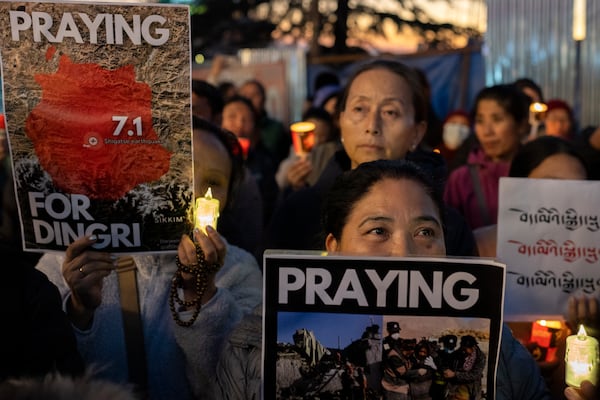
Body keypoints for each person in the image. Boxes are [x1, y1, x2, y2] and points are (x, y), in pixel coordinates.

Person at [216, 159, 552, 400]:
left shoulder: (497, 348)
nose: (403, 252)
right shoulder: (255, 346)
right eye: (378, 231)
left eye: (425, 232)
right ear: (334, 247)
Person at [35, 117, 262, 399]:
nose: (193, 193)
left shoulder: (239, 271)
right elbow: (37, 371)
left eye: (213, 182)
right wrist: (79, 310)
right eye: (180, 172)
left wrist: (203, 296)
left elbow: (242, 386)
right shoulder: (71, 255)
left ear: (229, 198)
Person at [266, 59, 477, 257]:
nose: (372, 126)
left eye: (390, 112)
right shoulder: (297, 212)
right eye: (360, 109)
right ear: (340, 120)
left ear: (417, 133)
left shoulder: (450, 226)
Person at [473, 135, 589, 258]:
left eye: (577, 187)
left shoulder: (591, 250)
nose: (565, 196)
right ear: (518, 187)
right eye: (551, 186)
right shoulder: (480, 246)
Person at [444, 84, 530, 230]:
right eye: (480, 121)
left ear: (521, 125)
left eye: (497, 119)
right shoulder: (461, 179)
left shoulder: (537, 174)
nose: (487, 131)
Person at [221, 95, 279, 227]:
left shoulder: (265, 160)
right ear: (219, 120)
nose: (239, 124)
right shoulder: (212, 159)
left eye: (246, 119)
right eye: (232, 117)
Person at [275, 106, 341, 194]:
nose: (316, 141)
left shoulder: (335, 156)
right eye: (312, 135)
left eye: (322, 137)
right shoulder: (293, 157)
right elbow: (280, 183)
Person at [238, 79, 291, 165]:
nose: (249, 99)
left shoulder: (276, 128)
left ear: (263, 99)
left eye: (255, 95)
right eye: (245, 95)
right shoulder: (233, 128)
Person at [443, 335, 486, 400]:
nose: (463, 351)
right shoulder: (457, 354)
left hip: (471, 388)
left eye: (465, 349)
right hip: (455, 387)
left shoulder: (480, 357)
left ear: (473, 347)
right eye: (462, 348)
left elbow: (474, 375)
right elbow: (448, 364)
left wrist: (455, 374)